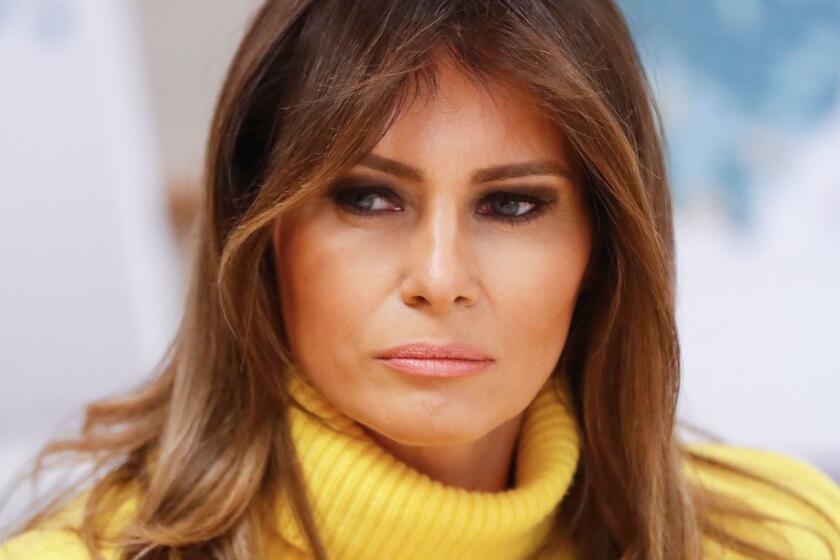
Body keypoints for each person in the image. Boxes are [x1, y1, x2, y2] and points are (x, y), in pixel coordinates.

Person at [2, 1, 839, 558]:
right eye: (368, 198)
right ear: (265, 234)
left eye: (512, 205)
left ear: (602, 251)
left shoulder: (783, 537)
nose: (440, 280)